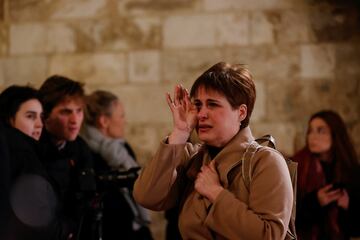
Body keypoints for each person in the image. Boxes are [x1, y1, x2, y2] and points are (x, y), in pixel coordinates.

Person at [133, 62, 293, 239]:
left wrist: (216, 194)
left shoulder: (265, 161)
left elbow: (269, 235)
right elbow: (146, 197)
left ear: (241, 112)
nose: (201, 114)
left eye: (212, 104)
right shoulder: (193, 158)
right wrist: (180, 132)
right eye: (198, 105)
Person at [80, 90, 153, 240]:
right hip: (112, 230)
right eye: (121, 116)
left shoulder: (123, 147)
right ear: (104, 121)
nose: (124, 121)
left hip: (135, 226)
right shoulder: (86, 152)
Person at [38, 75, 96, 240]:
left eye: (79, 111)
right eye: (66, 112)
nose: (75, 120)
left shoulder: (81, 148)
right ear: (45, 115)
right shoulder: (32, 149)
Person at [0, 85, 57, 240]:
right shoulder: (21, 154)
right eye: (30, 116)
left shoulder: (34, 151)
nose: (39, 125)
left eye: (41, 117)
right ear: (9, 119)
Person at [292, 110, 360, 240]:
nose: (312, 136)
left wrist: (347, 206)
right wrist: (316, 201)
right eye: (310, 131)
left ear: (335, 135)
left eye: (321, 131)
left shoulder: (351, 171)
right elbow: (288, 218)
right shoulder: (297, 166)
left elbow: (356, 228)